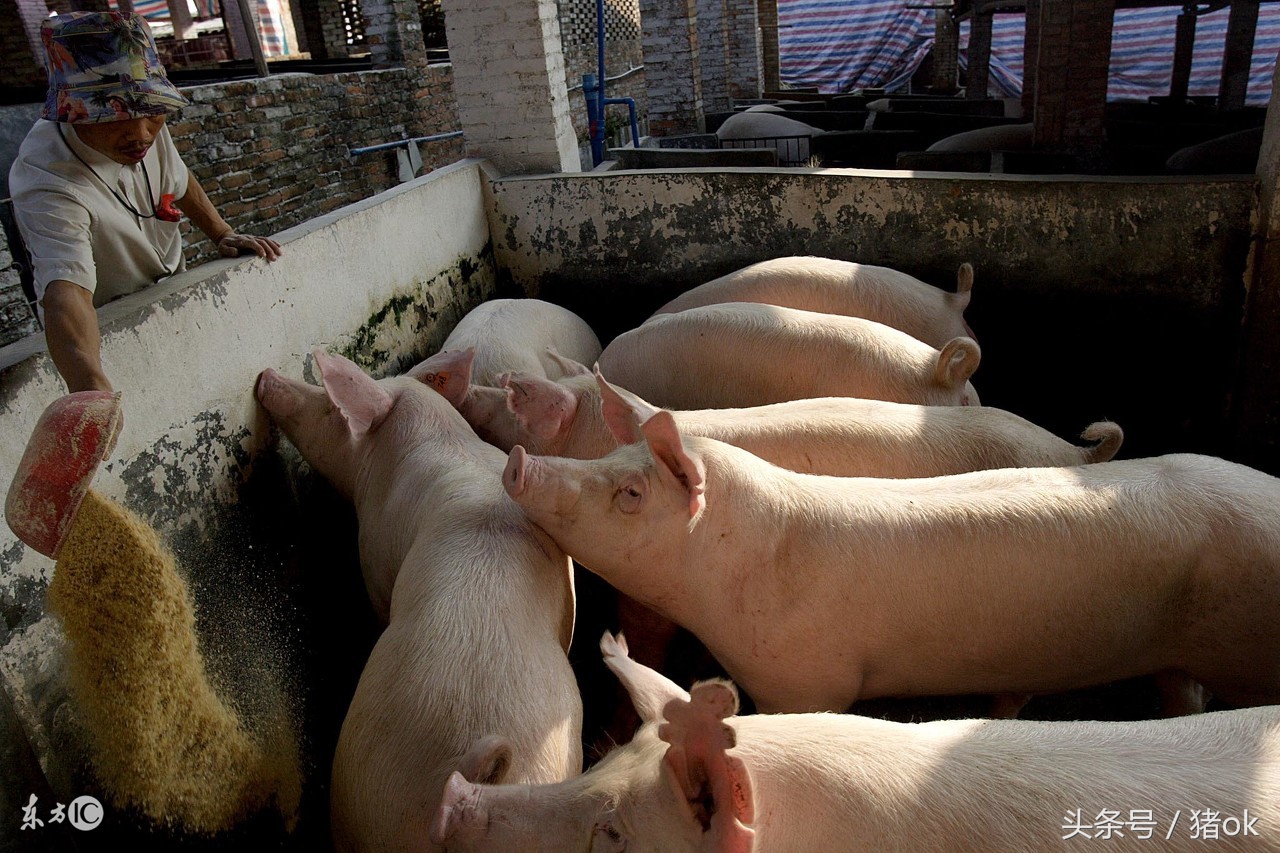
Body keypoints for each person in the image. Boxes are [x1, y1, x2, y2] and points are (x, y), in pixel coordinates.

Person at [9, 11, 282, 394]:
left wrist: (221, 232)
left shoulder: (148, 124)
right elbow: (64, 288)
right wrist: (89, 387)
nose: (141, 135)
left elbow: (179, 178)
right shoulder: (47, 178)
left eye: (151, 116)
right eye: (115, 119)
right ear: (75, 115)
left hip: (167, 291)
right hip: (109, 324)